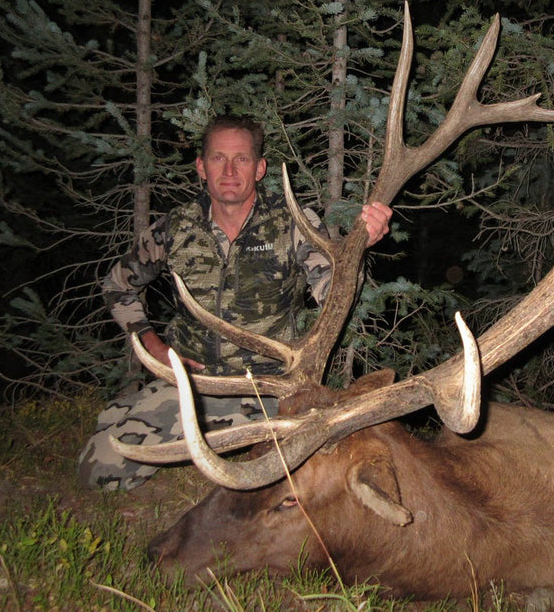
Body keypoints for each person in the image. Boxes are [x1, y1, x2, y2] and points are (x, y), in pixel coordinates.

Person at [78, 115, 392, 491]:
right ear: (201, 166)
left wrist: (357, 250)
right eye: (217, 158)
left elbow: (334, 294)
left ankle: (209, 437)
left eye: (241, 159)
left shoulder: (293, 223)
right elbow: (117, 286)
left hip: (272, 389)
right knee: (101, 469)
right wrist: (155, 347)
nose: (229, 170)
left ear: (259, 168)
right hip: (195, 384)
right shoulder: (176, 228)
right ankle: (148, 417)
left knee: (313, 480)